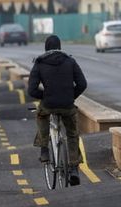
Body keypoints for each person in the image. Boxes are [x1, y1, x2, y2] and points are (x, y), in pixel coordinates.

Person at [28, 35, 87, 186]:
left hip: (48, 103)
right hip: (67, 105)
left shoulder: (39, 63)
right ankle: (74, 168)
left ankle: (44, 149)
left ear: (46, 48)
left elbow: (32, 90)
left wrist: (45, 96)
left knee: (42, 115)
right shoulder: (70, 61)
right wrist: (70, 96)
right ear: (60, 47)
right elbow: (82, 83)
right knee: (72, 134)